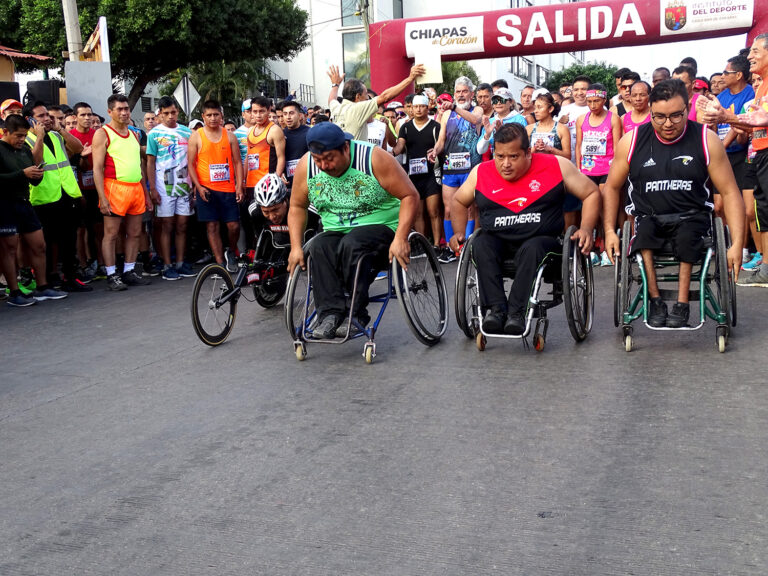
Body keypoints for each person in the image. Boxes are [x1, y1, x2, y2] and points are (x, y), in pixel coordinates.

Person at [603, 79, 745, 326]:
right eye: (659, 117)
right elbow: (612, 187)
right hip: (648, 215)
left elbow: (731, 192)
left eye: (676, 116)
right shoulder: (631, 141)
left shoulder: (706, 140)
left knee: (688, 236)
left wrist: (737, 244)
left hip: (692, 215)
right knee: (642, 233)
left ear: (687, 107)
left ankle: (682, 304)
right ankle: (655, 300)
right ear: (650, 111)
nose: (667, 123)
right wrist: (608, 231)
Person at [447, 123, 600, 334]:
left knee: (532, 248)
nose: (505, 164)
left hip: (542, 240)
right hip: (498, 239)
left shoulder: (557, 165)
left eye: (513, 157)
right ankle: (496, 310)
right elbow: (457, 201)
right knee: (480, 244)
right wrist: (458, 232)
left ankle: (516, 312)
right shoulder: (481, 172)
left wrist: (586, 228)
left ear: (528, 153)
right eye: (500, 157)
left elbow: (591, 193)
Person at [287, 122, 419, 338]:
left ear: (346, 148)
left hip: (382, 228)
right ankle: (329, 313)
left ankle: (356, 312)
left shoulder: (373, 158)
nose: (323, 165)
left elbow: (410, 196)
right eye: (318, 160)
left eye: (329, 158)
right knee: (319, 246)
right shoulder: (307, 165)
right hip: (337, 229)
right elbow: (296, 207)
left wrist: (401, 238)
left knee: (353, 243)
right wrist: (295, 247)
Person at [0, 114, 67, 306]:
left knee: (39, 245)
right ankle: (14, 292)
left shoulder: (24, 151)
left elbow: (33, 180)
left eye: (24, 135)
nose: (21, 140)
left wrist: (37, 174)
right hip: (4, 205)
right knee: (9, 249)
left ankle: (43, 287)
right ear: (6, 132)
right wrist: (22, 173)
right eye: (18, 136)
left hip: (24, 202)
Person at [24, 101, 91, 292]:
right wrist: (38, 137)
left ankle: (70, 278)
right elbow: (36, 161)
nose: (46, 119)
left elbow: (78, 148)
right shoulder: (27, 139)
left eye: (47, 115)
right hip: (44, 197)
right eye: (41, 116)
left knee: (69, 239)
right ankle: (48, 279)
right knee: (47, 242)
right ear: (29, 119)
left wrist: (60, 130)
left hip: (66, 193)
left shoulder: (55, 135)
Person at [92, 94, 153, 290]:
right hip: (114, 188)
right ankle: (112, 274)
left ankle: (129, 270)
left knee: (135, 232)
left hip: (135, 189)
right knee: (111, 234)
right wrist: (102, 197)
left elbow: (139, 167)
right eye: (120, 109)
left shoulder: (134, 134)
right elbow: (97, 168)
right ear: (110, 111)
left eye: (126, 108)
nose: (124, 112)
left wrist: (146, 193)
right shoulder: (103, 133)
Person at [430, 76, 484, 262]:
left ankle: (467, 244)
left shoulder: (477, 108)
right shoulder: (446, 115)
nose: (461, 95)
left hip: (471, 168)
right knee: (448, 209)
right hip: (450, 167)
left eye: (464, 91)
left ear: (471, 93)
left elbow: (476, 120)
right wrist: (434, 151)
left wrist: (454, 107)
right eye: (458, 92)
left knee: (470, 208)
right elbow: (441, 141)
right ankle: (452, 248)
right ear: (454, 94)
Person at [188, 99, 244, 270]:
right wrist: (198, 186)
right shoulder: (196, 136)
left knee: (233, 226)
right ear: (203, 116)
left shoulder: (230, 136)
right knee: (211, 226)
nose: (213, 118)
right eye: (209, 115)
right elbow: (190, 164)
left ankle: (230, 251)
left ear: (221, 116)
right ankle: (220, 262)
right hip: (207, 189)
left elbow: (237, 162)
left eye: (216, 115)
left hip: (228, 190)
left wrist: (239, 186)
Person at [146, 95, 195, 280]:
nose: (170, 116)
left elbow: (194, 159)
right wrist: (152, 189)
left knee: (182, 225)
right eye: (166, 113)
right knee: (167, 225)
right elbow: (150, 163)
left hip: (184, 185)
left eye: (173, 112)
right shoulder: (154, 134)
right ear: (160, 114)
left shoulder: (187, 132)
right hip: (163, 185)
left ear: (178, 112)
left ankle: (181, 263)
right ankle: (167, 265)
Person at [326, 63, 426, 142]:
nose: (368, 99)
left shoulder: (336, 108)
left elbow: (331, 99)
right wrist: (410, 79)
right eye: (366, 94)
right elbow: (385, 96)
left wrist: (335, 85)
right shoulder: (357, 108)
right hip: (356, 163)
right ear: (358, 96)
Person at [392, 94, 442, 249]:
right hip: (412, 175)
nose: (419, 109)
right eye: (416, 106)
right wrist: (391, 152)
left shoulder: (435, 126)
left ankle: (436, 245)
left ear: (428, 108)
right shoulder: (405, 127)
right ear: (411, 108)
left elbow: (440, 147)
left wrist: (435, 153)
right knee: (418, 212)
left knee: (433, 211)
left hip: (431, 174)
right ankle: (424, 246)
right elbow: (400, 147)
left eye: (422, 106)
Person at [476, 88, 527, 157]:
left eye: (502, 100)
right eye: (495, 100)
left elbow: (524, 145)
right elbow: (480, 150)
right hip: (495, 162)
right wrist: (487, 135)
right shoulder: (490, 122)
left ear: (511, 102)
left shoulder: (519, 119)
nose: (498, 103)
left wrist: (503, 134)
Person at [526, 92, 571, 160]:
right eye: (535, 108)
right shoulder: (528, 129)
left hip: (554, 168)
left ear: (550, 109)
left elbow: (568, 156)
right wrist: (534, 148)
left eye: (539, 107)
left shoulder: (562, 129)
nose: (535, 111)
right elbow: (523, 155)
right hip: (534, 168)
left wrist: (551, 149)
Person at [281, 100, 310, 190]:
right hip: (287, 183)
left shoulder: (309, 132)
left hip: (307, 181)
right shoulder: (280, 134)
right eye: (285, 114)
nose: (288, 117)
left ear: (299, 115)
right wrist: (279, 173)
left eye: (291, 113)